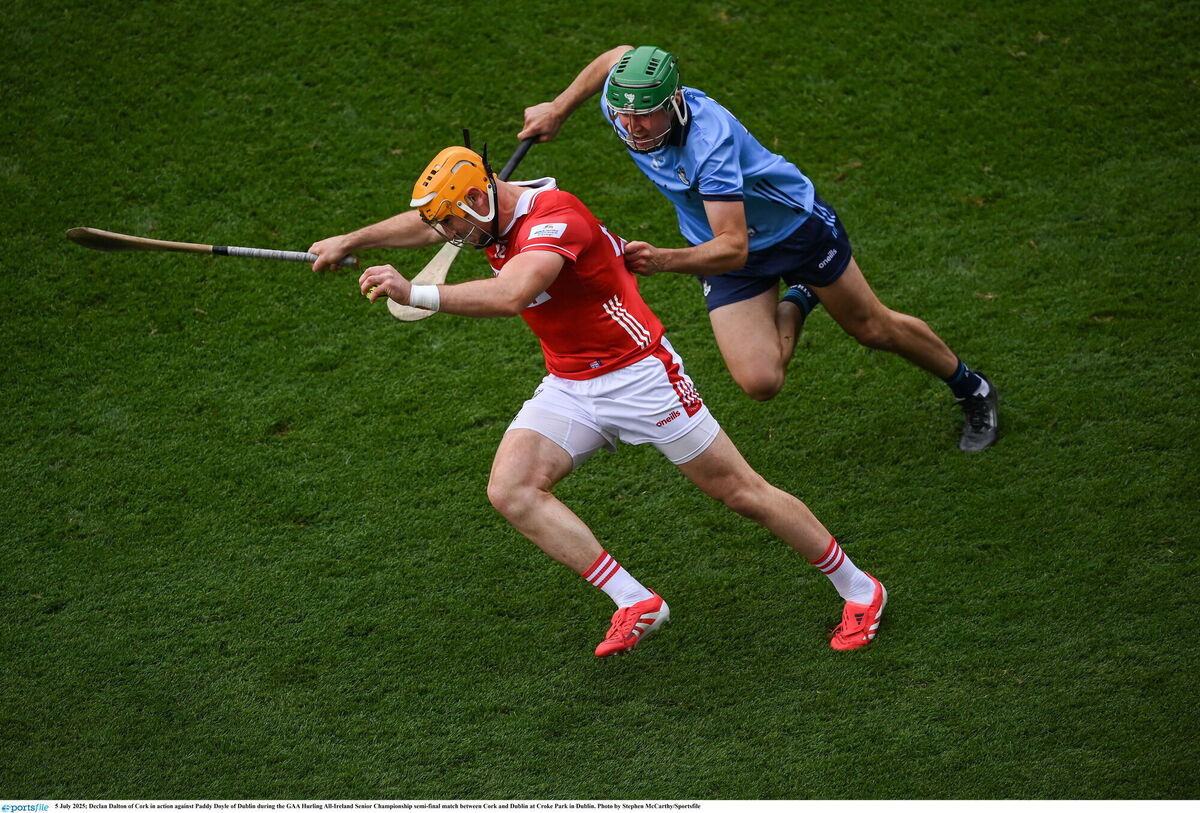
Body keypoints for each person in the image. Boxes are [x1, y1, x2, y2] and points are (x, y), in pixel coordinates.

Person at [309, 144, 887, 655]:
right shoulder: (486, 209)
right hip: (570, 383)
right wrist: (350, 239)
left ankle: (861, 589)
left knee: (742, 493)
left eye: (457, 224)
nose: (451, 238)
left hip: (640, 377)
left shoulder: (557, 219)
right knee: (511, 489)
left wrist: (417, 293)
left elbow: (515, 293)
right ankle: (635, 601)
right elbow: (423, 224)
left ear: (484, 198)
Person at [519, 45, 999, 452]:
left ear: (674, 103)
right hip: (720, 245)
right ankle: (803, 297)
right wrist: (559, 107)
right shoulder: (628, 103)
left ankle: (971, 387)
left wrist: (664, 260)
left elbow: (733, 249)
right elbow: (621, 55)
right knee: (761, 382)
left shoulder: (710, 144)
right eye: (623, 114)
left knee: (872, 328)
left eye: (645, 115)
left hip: (793, 232)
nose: (633, 127)